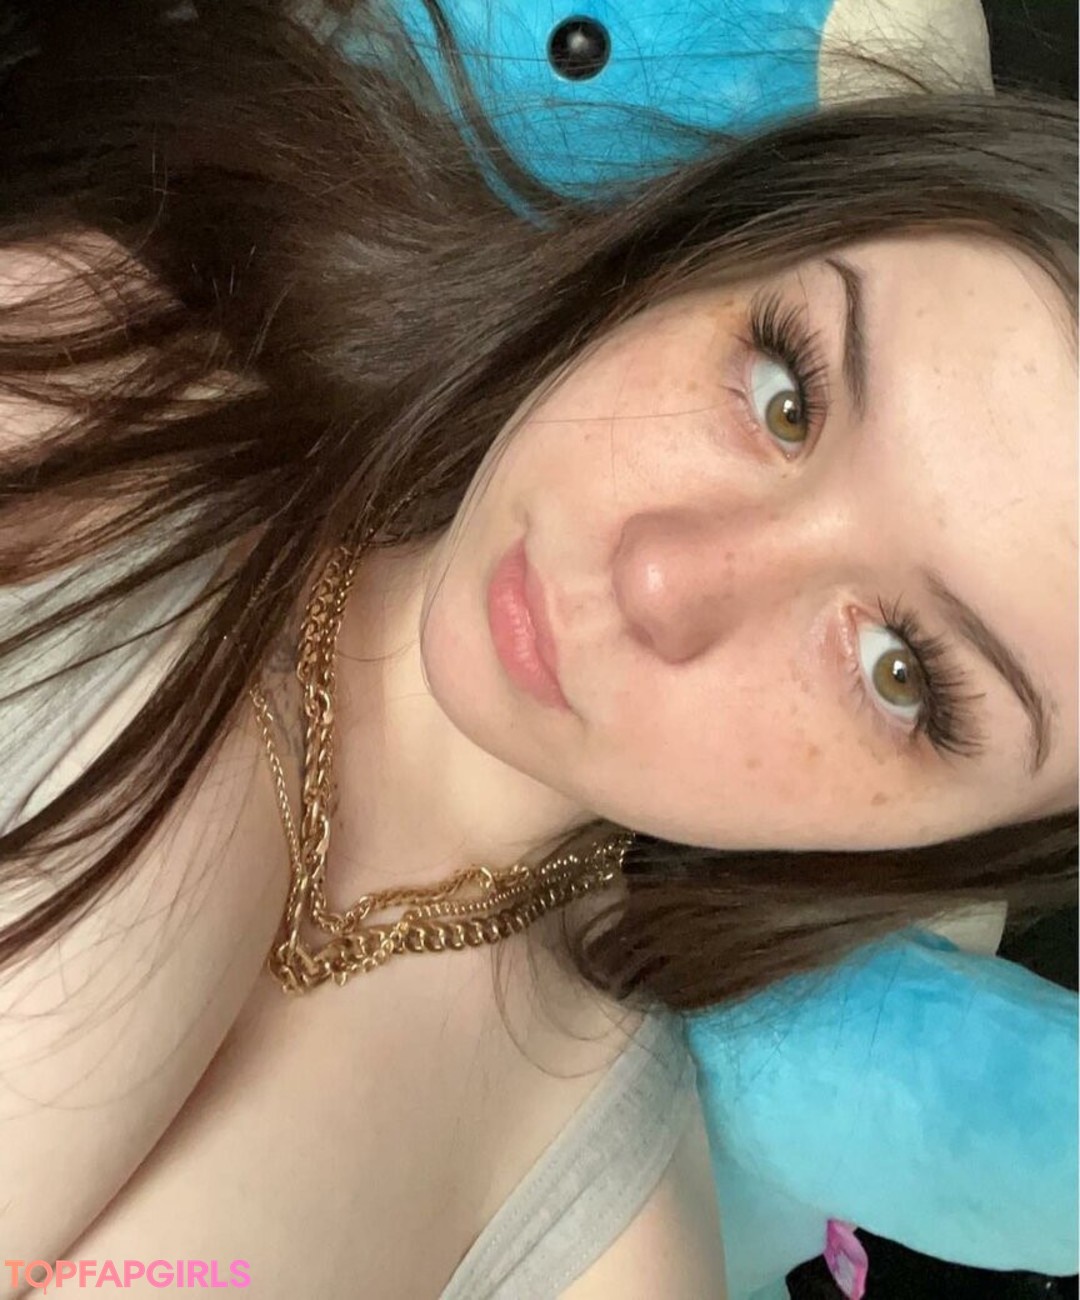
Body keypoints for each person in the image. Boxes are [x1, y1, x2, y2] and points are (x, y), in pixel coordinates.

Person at [0, 3, 1075, 1297]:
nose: (663, 576)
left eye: (901, 671)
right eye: (784, 394)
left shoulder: (611, 1256)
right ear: (712, 251)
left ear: (957, 849)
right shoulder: (91, 367)